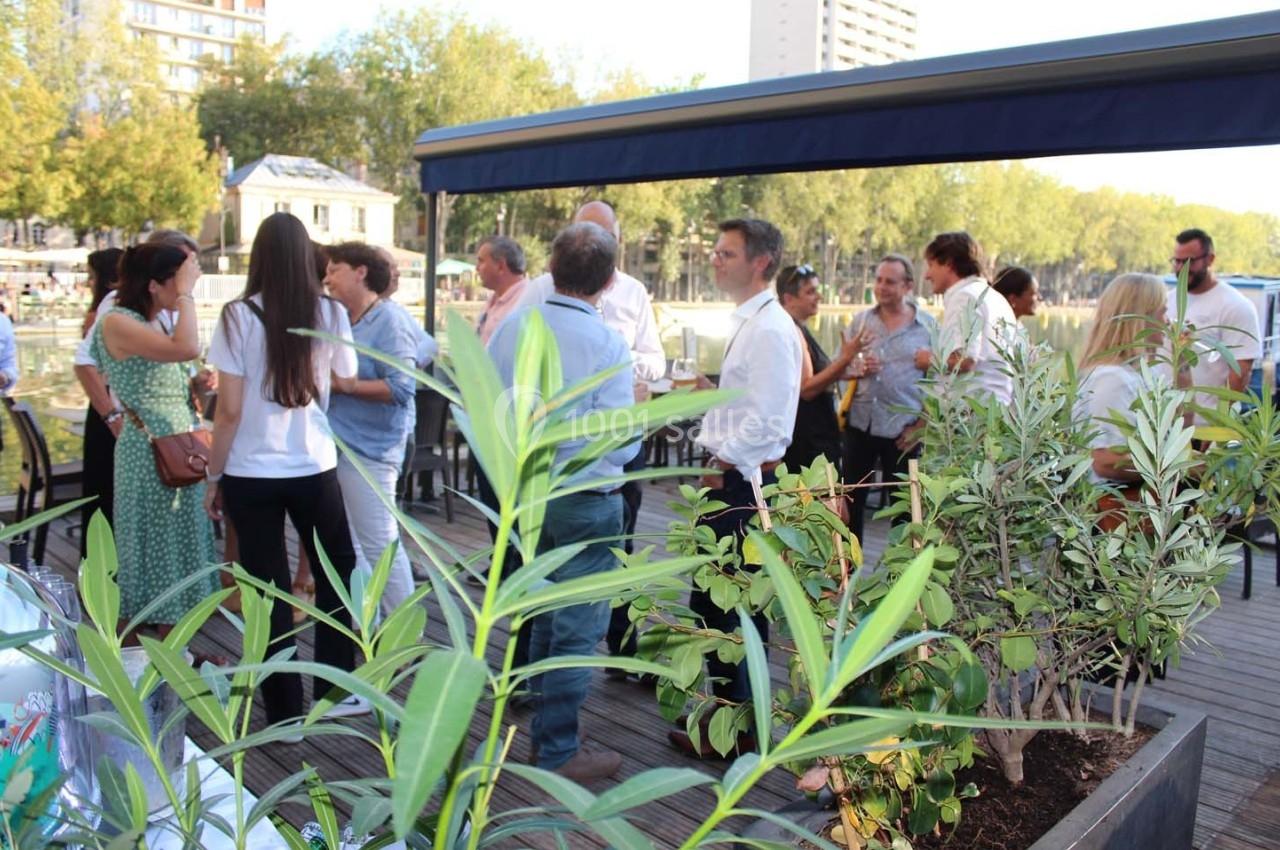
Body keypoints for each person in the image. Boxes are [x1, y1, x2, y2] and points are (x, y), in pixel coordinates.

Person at [487, 221, 639, 782]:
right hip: (583, 497)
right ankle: (555, 749)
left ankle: (532, 698)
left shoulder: (512, 327)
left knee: (544, 600)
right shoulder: (606, 343)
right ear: (609, 280)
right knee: (578, 622)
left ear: (551, 269)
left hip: (524, 495)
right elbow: (623, 439)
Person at [203, 212, 364, 730]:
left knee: (267, 588)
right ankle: (335, 691)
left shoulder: (236, 316)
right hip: (314, 464)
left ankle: (283, 713)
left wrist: (213, 474)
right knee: (336, 574)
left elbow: (226, 412)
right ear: (307, 258)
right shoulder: (332, 314)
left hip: (250, 473)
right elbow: (348, 373)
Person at [672, 218, 802, 758]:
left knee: (727, 610)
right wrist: (710, 394)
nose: (716, 261)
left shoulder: (771, 329)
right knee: (720, 608)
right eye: (716, 252)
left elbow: (771, 427)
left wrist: (719, 459)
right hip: (731, 481)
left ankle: (737, 733)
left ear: (761, 263)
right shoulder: (753, 324)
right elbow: (750, 404)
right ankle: (734, 723)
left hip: (742, 489)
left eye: (726, 254)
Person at [518, 200, 665, 665]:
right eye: (587, 233)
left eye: (605, 236)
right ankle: (531, 667)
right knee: (545, 573)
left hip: (600, 454)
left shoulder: (635, 293)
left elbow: (655, 359)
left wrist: (626, 373)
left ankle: (620, 645)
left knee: (620, 546)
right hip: (562, 463)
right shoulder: (537, 292)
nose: (597, 243)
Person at [89, 244, 218, 638]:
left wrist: (195, 382)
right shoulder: (115, 321)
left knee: (177, 545)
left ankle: (172, 645)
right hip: (151, 452)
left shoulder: (153, 321)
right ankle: (128, 646)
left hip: (179, 446)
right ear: (154, 284)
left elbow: (176, 363)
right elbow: (188, 347)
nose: (183, 291)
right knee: (148, 547)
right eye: (177, 282)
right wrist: (188, 294)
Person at [324, 242, 419, 617]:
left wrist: (345, 386)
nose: (327, 277)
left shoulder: (389, 321)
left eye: (335, 269)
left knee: (381, 545)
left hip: (371, 452)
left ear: (360, 272)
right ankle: (373, 627)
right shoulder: (343, 319)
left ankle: (406, 633)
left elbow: (402, 387)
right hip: (339, 447)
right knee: (357, 546)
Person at [842, 254, 936, 539]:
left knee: (904, 508)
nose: (881, 287)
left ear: (907, 286)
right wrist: (854, 368)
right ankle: (847, 571)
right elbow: (840, 366)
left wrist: (921, 428)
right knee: (849, 501)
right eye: (879, 280)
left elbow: (942, 383)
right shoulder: (861, 321)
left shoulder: (928, 327)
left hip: (903, 433)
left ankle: (899, 573)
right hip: (861, 425)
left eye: (890, 282)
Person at [1075, 273, 1173, 484]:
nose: (1167, 321)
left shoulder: (1140, 372)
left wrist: (1182, 360)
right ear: (1142, 317)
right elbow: (1104, 462)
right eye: (1163, 311)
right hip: (1115, 509)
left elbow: (1181, 427)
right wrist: (1175, 469)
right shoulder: (1112, 379)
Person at [776, 262, 865, 472]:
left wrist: (842, 372)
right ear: (789, 299)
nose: (819, 297)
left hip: (816, 432)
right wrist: (845, 358)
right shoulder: (792, 331)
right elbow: (806, 389)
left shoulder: (797, 328)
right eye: (810, 292)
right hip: (808, 438)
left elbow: (812, 376)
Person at [913, 231, 1017, 404]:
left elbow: (965, 360)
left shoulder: (965, 297)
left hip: (971, 414)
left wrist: (927, 359)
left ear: (948, 264)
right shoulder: (992, 296)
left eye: (931, 265)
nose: (927, 275)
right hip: (991, 408)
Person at [1169, 228, 1261, 421]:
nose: (1180, 268)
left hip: (1207, 424)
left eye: (1188, 261)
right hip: (1167, 421)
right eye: (1176, 261)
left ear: (1209, 259)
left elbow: (1241, 371)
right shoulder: (1168, 301)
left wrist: (1217, 424)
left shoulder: (1236, 306)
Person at [73, 248, 124, 550]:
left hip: (102, 406)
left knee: (99, 486)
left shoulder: (101, 310)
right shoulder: (106, 312)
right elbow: (89, 363)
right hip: (108, 405)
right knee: (104, 487)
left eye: (92, 276)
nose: (89, 282)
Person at [378, 246, 438, 369]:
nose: (398, 273)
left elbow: (431, 344)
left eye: (396, 267)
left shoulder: (395, 309)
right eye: (390, 268)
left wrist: (405, 361)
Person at [475, 236, 528, 346]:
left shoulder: (526, 302)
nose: (477, 268)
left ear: (500, 266)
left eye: (481, 261)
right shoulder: (494, 299)